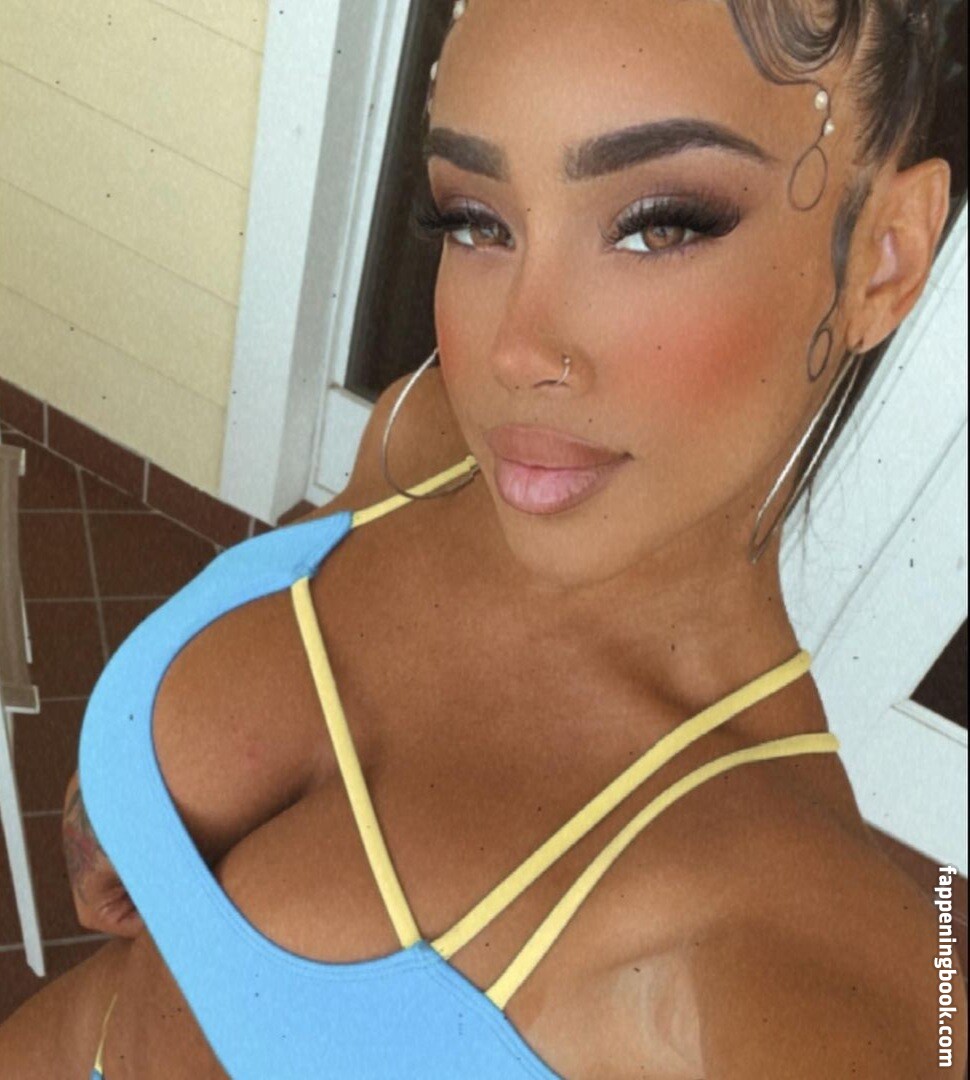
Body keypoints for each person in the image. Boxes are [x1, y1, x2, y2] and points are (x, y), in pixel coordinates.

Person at [0, 0, 966, 1075]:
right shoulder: (424, 439)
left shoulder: (794, 933)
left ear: (883, 257)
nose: (515, 350)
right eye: (476, 220)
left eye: (659, 223)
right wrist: (112, 814)